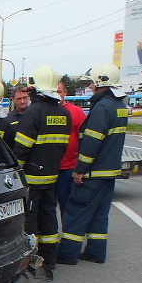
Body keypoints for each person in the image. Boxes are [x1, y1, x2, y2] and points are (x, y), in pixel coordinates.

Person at [56, 64, 128, 265]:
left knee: (76, 212)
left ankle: (68, 254)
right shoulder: (119, 106)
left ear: (101, 82)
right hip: (109, 172)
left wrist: (80, 170)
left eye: (92, 82)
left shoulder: (102, 108)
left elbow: (91, 143)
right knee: (99, 214)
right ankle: (95, 252)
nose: (89, 85)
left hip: (93, 173)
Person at [9, 65, 70, 283]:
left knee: (30, 220)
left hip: (32, 177)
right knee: (49, 218)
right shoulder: (64, 113)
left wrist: (17, 170)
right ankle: (50, 260)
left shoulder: (35, 112)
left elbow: (22, 146)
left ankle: (32, 262)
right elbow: (62, 146)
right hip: (52, 174)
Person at [55, 81, 87, 211]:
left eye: (59, 91)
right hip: (49, 168)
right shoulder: (46, 111)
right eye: (54, 92)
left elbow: (85, 140)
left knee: (67, 206)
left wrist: (81, 167)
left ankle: (67, 229)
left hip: (69, 168)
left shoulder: (77, 112)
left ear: (65, 93)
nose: (57, 95)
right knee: (47, 208)